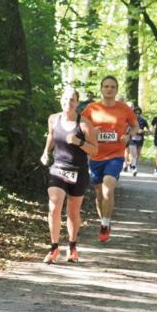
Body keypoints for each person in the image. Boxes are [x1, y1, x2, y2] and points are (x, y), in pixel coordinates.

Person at [40, 88, 97, 263]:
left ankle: (72, 247)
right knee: (54, 207)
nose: (68, 102)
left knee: (73, 211)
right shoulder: (53, 119)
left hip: (78, 171)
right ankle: (54, 248)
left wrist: (79, 142)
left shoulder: (85, 124)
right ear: (60, 100)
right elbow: (51, 135)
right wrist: (45, 153)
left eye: (72, 99)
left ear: (77, 103)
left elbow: (94, 150)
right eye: (65, 99)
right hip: (58, 168)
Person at [79, 75, 138, 243]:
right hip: (96, 156)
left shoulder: (124, 108)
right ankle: (104, 221)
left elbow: (135, 126)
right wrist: (91, 131)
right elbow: (79, 125)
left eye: (112, 86)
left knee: (107, 189)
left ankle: (105, 225)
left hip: (115, 156)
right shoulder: (91, 108)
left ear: (117, 89)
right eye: (106, 86)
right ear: (101, 89)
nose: (109, 89)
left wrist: (127, 135)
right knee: (99, 195)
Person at [127, 105, 150, 176]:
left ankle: (132, 165)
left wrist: (143, 131)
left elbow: (148, 130)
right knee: (134, 154)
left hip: (140, 139)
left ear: (140, 113)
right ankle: (134, 168)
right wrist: (135, 131)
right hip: (132, 139)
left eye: (139, 113)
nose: (137, 115)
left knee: (137, 155)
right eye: (135, 113)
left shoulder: (143, 121)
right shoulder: (130, 120)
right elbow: (127, 130)